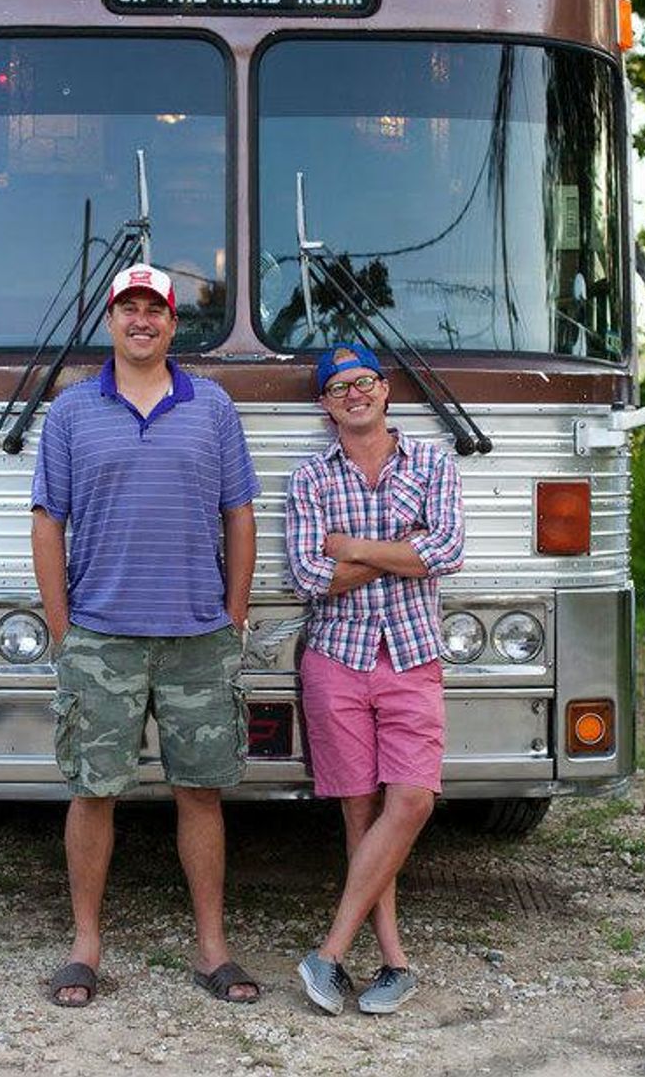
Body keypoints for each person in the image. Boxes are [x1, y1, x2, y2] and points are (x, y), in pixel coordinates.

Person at [31, 263, 260, 1008]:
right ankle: (85, 948)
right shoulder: (70, 412)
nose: (141, 320)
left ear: (172, 323)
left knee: (201, 793)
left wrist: (234, 615)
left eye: (154, 309)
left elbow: (240, 514)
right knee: (93, 792)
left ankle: (214, 949)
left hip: (198, 637)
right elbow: (47, 523)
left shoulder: (213, 407)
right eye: (128, 308)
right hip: (101, 637)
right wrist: (62, 629)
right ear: (110, 321)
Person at [285, 342, 464, 1016]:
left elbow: (445, 550)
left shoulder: (432, 462)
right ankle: (393, 962)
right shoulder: (310, 477)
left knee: (412, 801)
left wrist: (353, 547)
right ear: (325, 405)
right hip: (336, 658)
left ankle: (329, 953)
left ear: (386, 391)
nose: (353, 394)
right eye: (338, 389)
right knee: (360, 812)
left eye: (363, 383)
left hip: (412, 654)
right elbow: (309, 576)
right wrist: (401, 551)